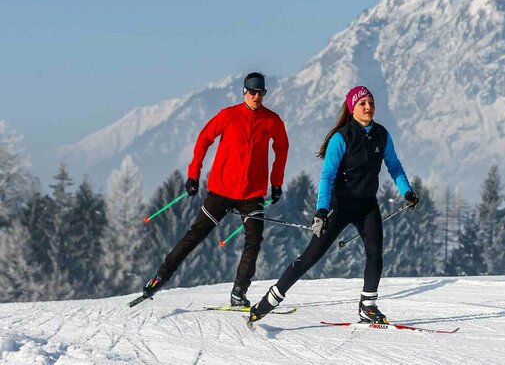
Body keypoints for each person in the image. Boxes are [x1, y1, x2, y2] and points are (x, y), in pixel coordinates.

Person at [248, 85, 419, 324]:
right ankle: (271, 299)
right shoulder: (341, 137)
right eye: (362, 104)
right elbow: (327, 176)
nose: (368, 107)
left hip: (367, 205)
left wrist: (407, 192)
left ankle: (368, 306)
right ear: (352, 108)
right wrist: (321, 210)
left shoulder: (382, 134)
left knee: (375, 254)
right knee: (311, 257)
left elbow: (394, 166)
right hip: (339, 206)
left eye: (371, 103)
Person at [140, 72, 289, 307]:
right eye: (252, 92)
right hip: (222, 190)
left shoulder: (272, 121)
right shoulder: (228, 115)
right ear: (244, 92)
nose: (257, 96)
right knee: (196, 234)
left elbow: (282, 149)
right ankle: (159, 278)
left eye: (261, 92)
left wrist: (276, 182)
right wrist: (193, 174)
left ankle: (239, 292)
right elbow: (203, 140)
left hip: (252, 194)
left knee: (254, 240)